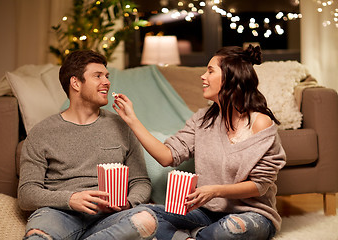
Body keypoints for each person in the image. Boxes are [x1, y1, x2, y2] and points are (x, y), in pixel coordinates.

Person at [113, 45, 286, 240]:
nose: (203, 76)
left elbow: (259, 185)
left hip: (251, 214)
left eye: (210, 71)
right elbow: (167, 156)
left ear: (231, 77)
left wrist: (214, 191)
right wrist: (132, 120)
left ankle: (186, 237)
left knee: (232, 229)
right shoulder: (202, 120)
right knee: (142, 214)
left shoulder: (259, 122)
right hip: (206, 213)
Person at [18, 50, 157, 240]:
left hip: (111, 216)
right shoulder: (41, 133)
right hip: (59, 214)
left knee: (146, 221)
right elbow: (26, 194)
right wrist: (71, 199)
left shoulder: (122, 126)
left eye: (107, 76)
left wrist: (129, 202)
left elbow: (140, 181)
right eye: (98, 76)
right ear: (75, 83)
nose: (107, 82)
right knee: (37, 238)